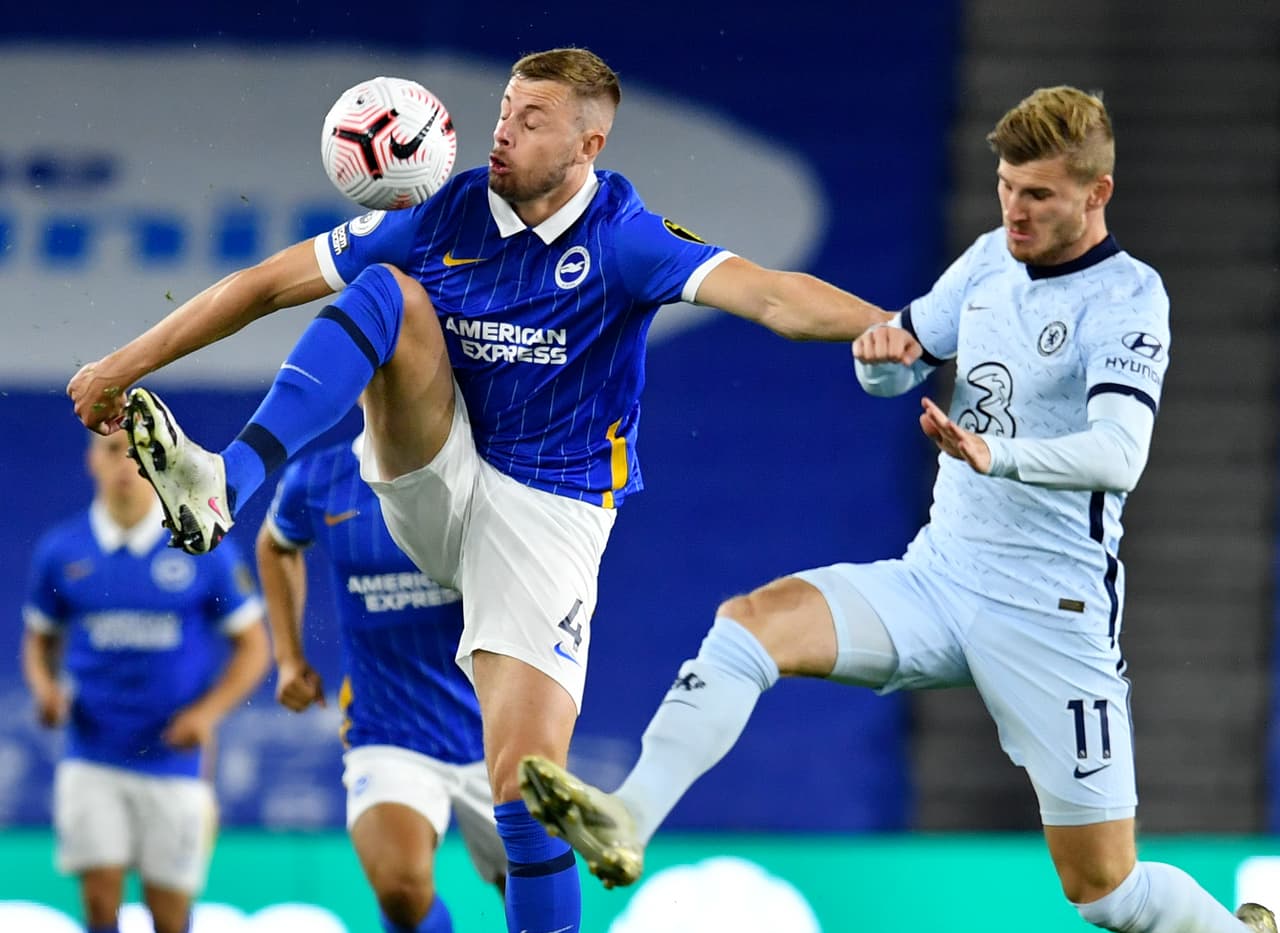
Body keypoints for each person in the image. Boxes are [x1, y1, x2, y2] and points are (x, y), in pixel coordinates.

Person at [66, 47, 890, 933]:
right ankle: (231, 475)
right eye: (503, 109)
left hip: (549, 516)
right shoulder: (441, 210)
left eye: (530, 120)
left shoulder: (624, 237)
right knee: (388, 294)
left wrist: (899, 330)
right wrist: (124, 363)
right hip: (440, 465)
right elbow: (265, 283)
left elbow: (771, 295)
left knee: (527, 796)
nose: (501, 131)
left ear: (588, 144)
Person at [516, 85, 1278, 933]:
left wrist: (1001, 454)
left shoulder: (1129, 299)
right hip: (941, 576)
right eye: (1004, 185)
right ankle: (629, 814)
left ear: (1097, 195)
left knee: (1105, 892)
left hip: (1051, 613)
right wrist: (882, 357)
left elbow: (1119, 453)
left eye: (1038, 196)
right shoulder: (991, 260)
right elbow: (901, 358)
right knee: (752, 623)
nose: (1014, 210)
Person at [255, 419, 506, 933]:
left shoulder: (489, 466)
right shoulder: (321, 478)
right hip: (390, 729)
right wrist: (288, 657)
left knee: (528, 891)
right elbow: (277, 543)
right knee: (400, 889)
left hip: (501, 728)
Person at [21, 429, 269, 933]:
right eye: (112, 451)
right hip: (92, 754)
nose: (124, 467)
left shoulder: (202, 547)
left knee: (170, 913)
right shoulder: (62, 550)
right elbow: (39, 638)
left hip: (174, 759)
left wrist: (207, 713)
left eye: (138, 455)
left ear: (157, 466)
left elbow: (254, 646)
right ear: (91, 459)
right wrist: (45, 690)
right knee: (98, 902)